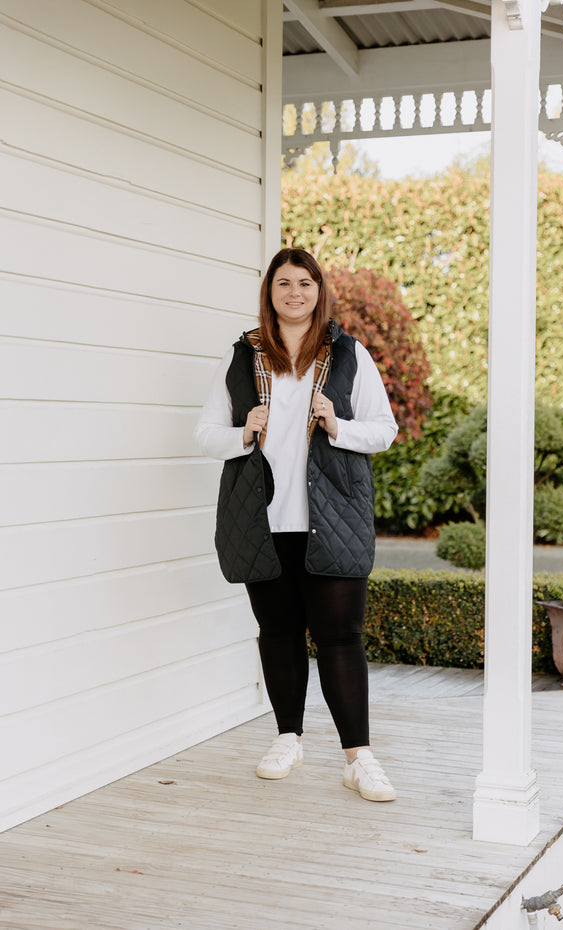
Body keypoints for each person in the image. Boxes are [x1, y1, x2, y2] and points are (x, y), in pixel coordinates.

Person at [193, 248, 399, 802]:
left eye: (304, 283)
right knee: (278, 633)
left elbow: (385, 430)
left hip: (331, 517)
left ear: (318, 291)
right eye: (283, 283)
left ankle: (359, 758)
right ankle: (288, 737)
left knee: (340, 637)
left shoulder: (348, 354)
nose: (294, 293)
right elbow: (205, 433)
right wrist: (242, 432)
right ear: (270, 292)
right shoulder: (242, 357)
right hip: (262, 519)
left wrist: (338, 424)